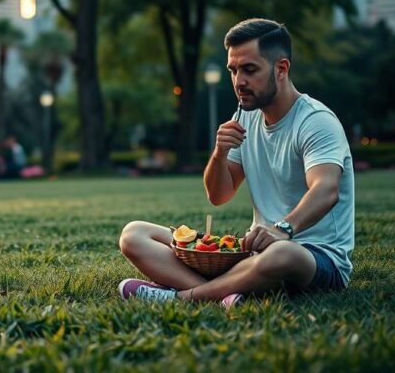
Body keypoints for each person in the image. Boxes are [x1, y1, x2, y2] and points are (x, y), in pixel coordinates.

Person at [118, 18, 354, 307]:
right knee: (134, 234)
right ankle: (226, 294)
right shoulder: (245, 115)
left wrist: (282, 230)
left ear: (281, 69)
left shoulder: (315, 121)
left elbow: (326, 189)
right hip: (255, 254)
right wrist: (219, 153)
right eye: (233, 70)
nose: (239, 81)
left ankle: (182, 297)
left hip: (315, 258)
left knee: (283, 254)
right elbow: (219, 195)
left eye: (250, 70)